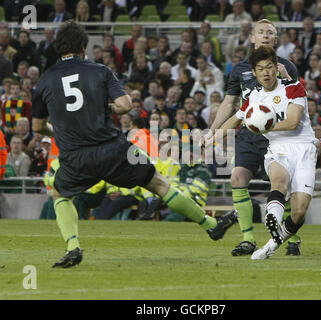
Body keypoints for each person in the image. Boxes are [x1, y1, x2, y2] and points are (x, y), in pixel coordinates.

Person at [31, 21, 237, 268]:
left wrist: (60, 130)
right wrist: (105, 107)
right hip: (112, 149)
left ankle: (73, 246)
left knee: (60, 195)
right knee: (159, 184)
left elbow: (37, 127)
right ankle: (212, 226)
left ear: (58, 47)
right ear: (83, 46)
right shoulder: (99, 70)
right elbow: (126, 105)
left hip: (76, 157)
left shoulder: (45, 80)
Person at [204, 19, 300, 257]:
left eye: (270, 32)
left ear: (275, 40)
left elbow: (297, 102)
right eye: (261, 32)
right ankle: (248, 240)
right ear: (253, 38)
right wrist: (213, 130)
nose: (265, 35)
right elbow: (229, 103)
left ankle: (293, 239)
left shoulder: (287, 66)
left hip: (276, 134)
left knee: (281, 186)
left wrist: (287, 78)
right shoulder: (239, 69)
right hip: (248, 133)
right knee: (237, 177)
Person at [219, 45, 317, 260]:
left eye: (270, 67)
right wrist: (212, 136)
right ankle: (272, 217)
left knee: (299, 212)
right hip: (277, 148)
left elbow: (292, 123)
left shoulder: (293, 87)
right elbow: (236, 119)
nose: (266, 72)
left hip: (304, 148)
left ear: (276, 67)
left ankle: (272, 244)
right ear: (254, 73)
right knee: (279, 182)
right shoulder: (253, 97)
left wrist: (261, 126)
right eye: (261, 69)